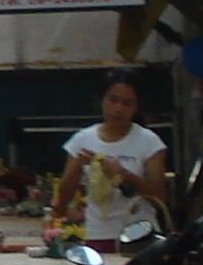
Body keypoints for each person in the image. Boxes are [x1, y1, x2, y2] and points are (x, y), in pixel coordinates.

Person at [56, 77, 168, 245]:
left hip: (140, 234)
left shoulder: (149, 141)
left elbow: (160, 198)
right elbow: (62, 201)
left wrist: (124, 174)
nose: (118, 109)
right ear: (101, 101)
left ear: (136, 107)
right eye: (112, 100)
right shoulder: (82, 140)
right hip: (98, 234)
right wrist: (77, 166)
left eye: (127, 104)